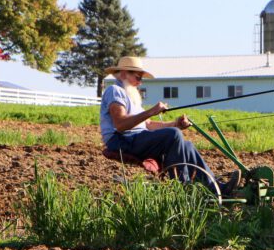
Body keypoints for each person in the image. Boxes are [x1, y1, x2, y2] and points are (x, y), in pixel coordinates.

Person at [100, 56, 238, 196]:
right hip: (121, 140)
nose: (140, 82)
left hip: (136, 138)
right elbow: (120, 124)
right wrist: (152, 111)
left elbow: (147, 125)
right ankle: (182, 188)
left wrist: (175, 124)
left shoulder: (130, 95)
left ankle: (216, 188)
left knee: (187, 145)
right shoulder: (115, 90)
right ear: (123, 73)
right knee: (173, 135)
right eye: (138, 77)